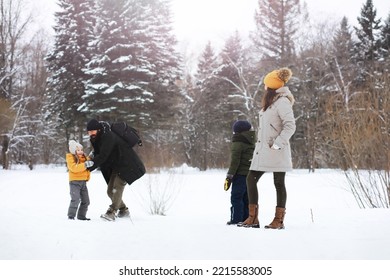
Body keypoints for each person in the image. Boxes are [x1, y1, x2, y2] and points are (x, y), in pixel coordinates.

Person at [238, 67, 296, 229]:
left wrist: (278, 143)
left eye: (266, 85)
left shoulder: (282, 101)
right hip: (263, 150)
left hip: (276, 149)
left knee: (278, 182)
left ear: (271, 86)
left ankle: (279, 220)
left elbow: (290, 125)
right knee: (251, 178)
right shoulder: (272, 102)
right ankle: (253, 218)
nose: (264, 87)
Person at [86, 119, 146, 221]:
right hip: (117, 165)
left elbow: (103, 155)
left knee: (117, 188)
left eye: (93, 131)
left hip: (127, 164)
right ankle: (123, 210)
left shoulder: (108, 136)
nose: (91, 133)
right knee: (110, 191)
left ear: (98, 130)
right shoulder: (97, 137)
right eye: (89, 132)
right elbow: (99, 152)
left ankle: (111, 212)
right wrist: (91, 157)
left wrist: (89, 166)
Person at [224, 120, 255, 225]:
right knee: (246, 198)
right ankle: (246, 218)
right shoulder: (251, 142)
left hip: (240, 175)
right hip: (250, 175)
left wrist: (229, 176)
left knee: (236, 197)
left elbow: (235, 162)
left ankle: (236, 219)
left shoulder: (238, 143)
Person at [66, 140, 91, 220]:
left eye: (81, 150)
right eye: (78, 150)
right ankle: (71, 216)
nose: (80, 151)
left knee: (86, 201)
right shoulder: (70, 157)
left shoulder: (84, 158)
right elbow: (74, 168)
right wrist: (85, 165)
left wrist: (91, 156)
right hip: (74, 182)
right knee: (75, 199)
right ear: (74, 151)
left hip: (83, 182)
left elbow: (89, 159)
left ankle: (81, 216)